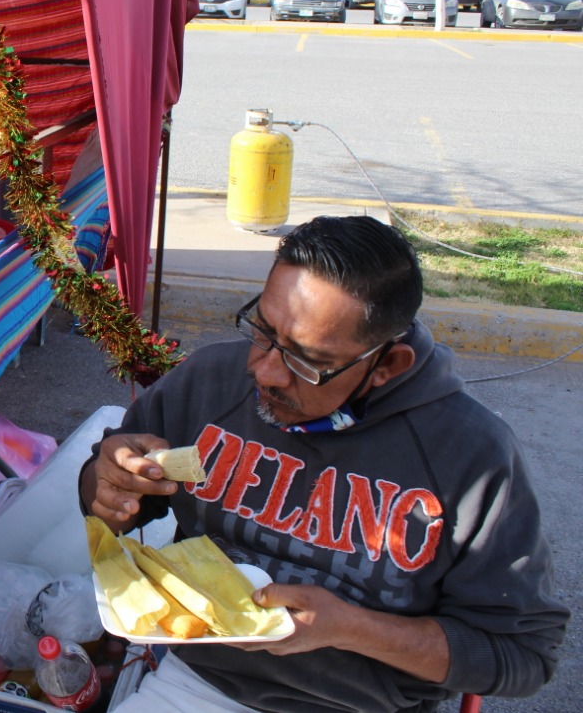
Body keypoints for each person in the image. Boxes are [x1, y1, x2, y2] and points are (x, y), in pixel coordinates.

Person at [81, 216, 568, 713]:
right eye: (263, 331)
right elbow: (112, 507)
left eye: (307, 360)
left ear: (386, 366)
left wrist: (352, 628)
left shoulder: (469, 454)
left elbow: (521, 654)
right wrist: (106, 483)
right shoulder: (212, 382)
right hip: (198, 682)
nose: (264, 372)